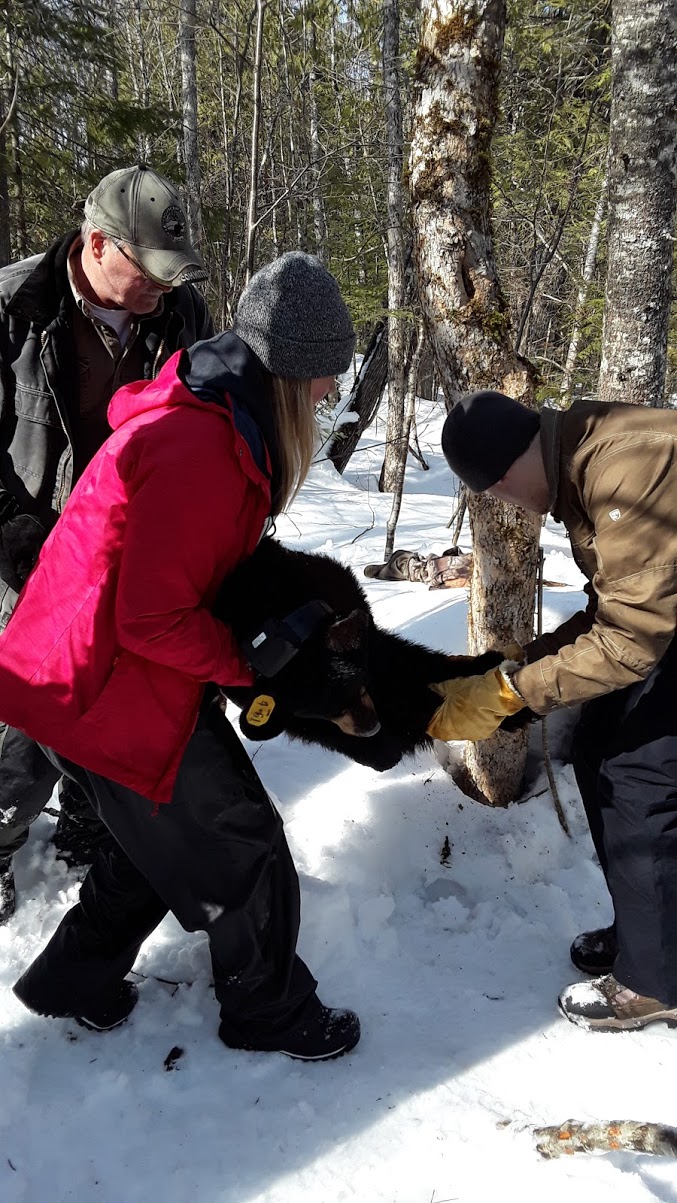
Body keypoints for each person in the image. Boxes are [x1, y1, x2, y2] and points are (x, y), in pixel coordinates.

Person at [0, 251, 361, 1060]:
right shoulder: (203, 447)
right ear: (288, 373)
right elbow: (153, 616)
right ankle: (268, 1011)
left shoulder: (216, 412)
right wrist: (245, 664)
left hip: (80, 673)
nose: (330, 394)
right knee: (245, 846)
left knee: (154, 846)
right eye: (323, 378)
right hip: (100, 686)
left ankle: (72, 981)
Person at [0, 163, 214, 922]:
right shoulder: (13, 307)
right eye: (149, 272)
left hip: (128, 543)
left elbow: (204, 418)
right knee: (27, 711)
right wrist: (18, 539)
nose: (162, 288)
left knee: (122, 698)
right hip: (26, 545)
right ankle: (1, 836)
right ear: (97, 244)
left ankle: (94, 817)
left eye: (171, 275)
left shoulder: (180, 313)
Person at [428, 388, 677, 1033]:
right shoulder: (581, 455)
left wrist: (512, 695)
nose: (510, 507)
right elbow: (614, 611)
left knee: (641, 779)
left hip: (662, 638)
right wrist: (518, 666)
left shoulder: (623, 470)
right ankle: (654, 935)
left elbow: (632, 641)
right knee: (597, 748)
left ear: (508, 471)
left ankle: (657, 980)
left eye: (500, 494)